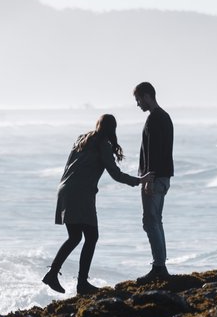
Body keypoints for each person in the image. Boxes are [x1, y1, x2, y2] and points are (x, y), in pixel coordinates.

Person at [44, 114, 139, 294]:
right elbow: (115, 174)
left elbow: (67, 166)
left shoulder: (82, 139)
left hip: (65, 188)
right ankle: (80, 283)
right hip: (80, 193)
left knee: (75, 236)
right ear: (113, 129)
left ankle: (54, 274)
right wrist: (138, 181)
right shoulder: (103, 144)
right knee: (91, 236)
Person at [134, 81, 173, 278]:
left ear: (147, 96)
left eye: (138, 99)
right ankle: (160, 265)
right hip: (163, 177)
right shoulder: (165, 117)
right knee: (156, 221)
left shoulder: (155, 119)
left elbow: (153, 151)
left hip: (154, 178)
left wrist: (148, 178)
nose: (138, 104)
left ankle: (159, 267)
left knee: (150, 222)